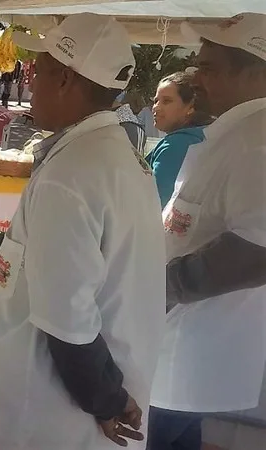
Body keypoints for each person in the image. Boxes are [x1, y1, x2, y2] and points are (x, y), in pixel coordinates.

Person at [0, 14, 166, 450]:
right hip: (77, 391)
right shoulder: (112, 155)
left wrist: (104, 402)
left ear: (65, 78)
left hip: (47, 409)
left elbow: (68, 320)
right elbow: (23, 251)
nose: (30, 81)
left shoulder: (72, 175)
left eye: (40, 71)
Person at [148, 13, 266, 450]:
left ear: (257, 71)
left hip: (193, 348)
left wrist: (155, 288)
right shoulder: (235, 129)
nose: (197, 77)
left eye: (211, 67)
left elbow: (257, 250)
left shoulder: (258, 141)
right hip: (186, 347)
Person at [145, 71, 213, 208]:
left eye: (167, 101)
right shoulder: (208, 137)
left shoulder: (174, 146)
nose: (156, 107)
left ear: (190, 106)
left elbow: (153, 203)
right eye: (156, 100)